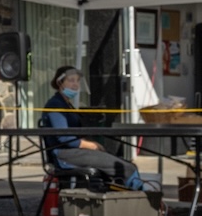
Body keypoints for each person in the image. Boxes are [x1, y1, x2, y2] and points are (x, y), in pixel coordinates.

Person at [40, 66, 158, 197]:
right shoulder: (55, 105)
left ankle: (127, 199)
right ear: (60, 82)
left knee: (124, 164)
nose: (75, 84)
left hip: (73, 151)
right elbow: (64, 138)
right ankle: (139, 200)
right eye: (71, 80)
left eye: (77, 81)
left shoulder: (66, 103)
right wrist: (91, 145)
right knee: (125, 168)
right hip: (64, 155)